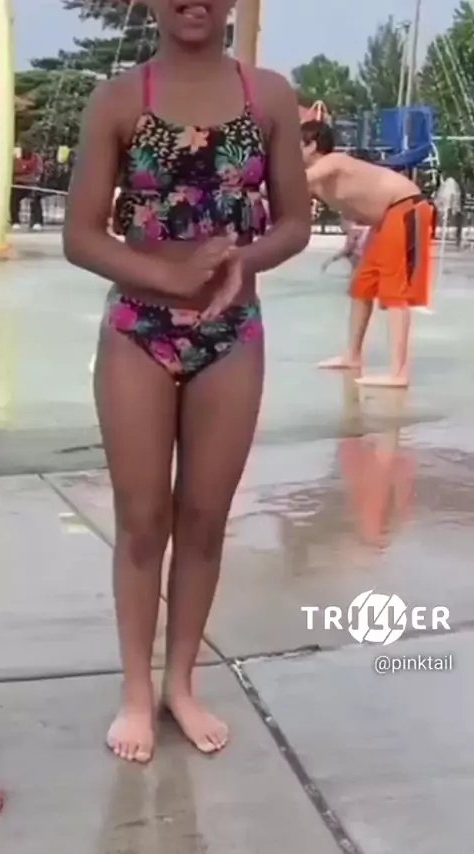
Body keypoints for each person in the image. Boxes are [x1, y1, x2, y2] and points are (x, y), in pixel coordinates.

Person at [64, 0, 310, 764]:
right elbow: (80, 234)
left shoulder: (268, 96)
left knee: (204, 518)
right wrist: (166, 281)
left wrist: (243, 262)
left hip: (231, 333)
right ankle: (136, 691)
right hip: (138, 330)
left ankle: (180, 681)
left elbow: (295, 223)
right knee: (143, 522)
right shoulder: (118, 100)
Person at [302, 120, 433, 387]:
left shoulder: (332, 161)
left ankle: (399, 373)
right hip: (382, 220)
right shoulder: (315, 181)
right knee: (362, 287)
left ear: (312, 145)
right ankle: (352, 355)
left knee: (395, 291)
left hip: (405, 207)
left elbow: (295, 182)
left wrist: (260, 179)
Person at [10, 141, 44, 231]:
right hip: (18, 183)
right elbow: (13, 170)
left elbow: (39, 171)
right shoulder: (14, 158)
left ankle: (37, 222)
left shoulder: (36, 158)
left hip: (32, 183)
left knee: (35, 198)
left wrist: (25, 172)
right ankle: (15, 221)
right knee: (13, 199)